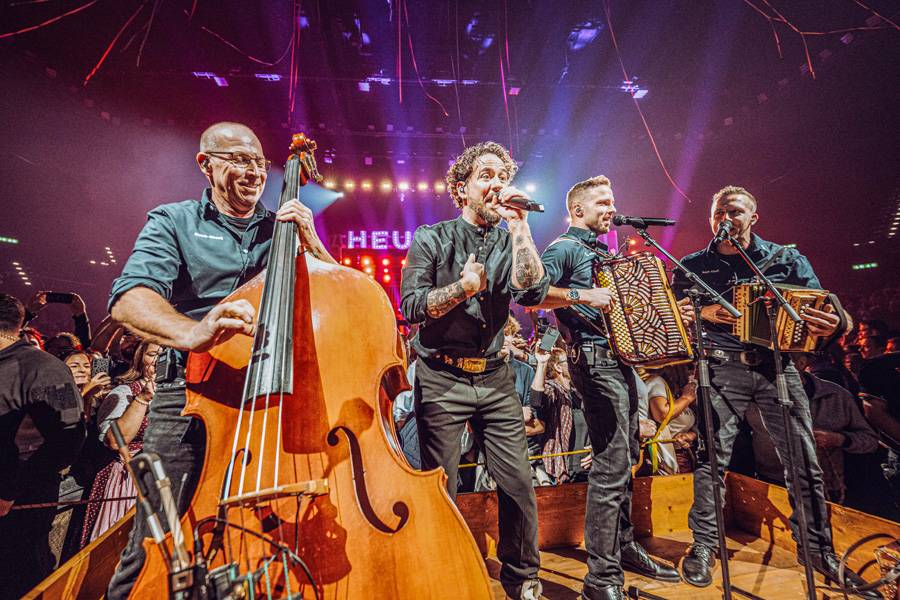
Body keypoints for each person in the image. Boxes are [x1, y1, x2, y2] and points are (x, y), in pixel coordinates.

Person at [105, 122, 335, 599]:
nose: (252, 171)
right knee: (158, 533)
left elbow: (342, 297)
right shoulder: (174, 220)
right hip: (190, 398)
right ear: (205, 164)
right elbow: (130, 300)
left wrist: (313, 245)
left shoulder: (284, 229)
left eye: (257, 161)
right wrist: (195, 332)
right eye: (237, 159)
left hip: (273, 396)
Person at [672, 185, 880, 597]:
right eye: (717, 213)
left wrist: (834, 323)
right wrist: (699, 311)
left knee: (803, 462)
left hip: (778, 368)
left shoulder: (784, 259)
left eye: (733, 212)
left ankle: (817, 550)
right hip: (722, 368)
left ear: (753, 218)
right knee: (711, 461)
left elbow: (827, 308)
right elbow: (672, 311)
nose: (724, 220)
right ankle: (704, 547)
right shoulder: (694, 265)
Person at [516, 175, 683, 599]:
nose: (611, 209)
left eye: (613, 201)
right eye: (603, 203)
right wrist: (581, 296)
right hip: (593, 362)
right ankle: (602, 579)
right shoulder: (564, 248)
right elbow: (531, 295)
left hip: (621, 359)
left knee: (625, 457)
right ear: (577, 210)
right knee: (610, 467)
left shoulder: (603, 250)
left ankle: (624, 547)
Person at [400, 141, 547, 600]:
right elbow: (410, 307)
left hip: (496, 378)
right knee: (440, 485)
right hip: (442, 377)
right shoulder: (432, 237)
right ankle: (443, 573)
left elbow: (532, 290)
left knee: (518, 483)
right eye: (486, 175)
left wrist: (521, 226)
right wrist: (463, 288)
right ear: (461, 189)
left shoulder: (510, 238)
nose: (498, 183)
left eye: (503, 176)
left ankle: (522, 580)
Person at [0, 293, 86, 598]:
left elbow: (69, 437)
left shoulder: (44, 369)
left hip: (19, 503)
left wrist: (10, 491)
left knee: (18, 579)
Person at [746, 370, 878, 503]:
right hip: (772, 487)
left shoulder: (836, 395)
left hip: (827, 489)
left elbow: (870, 441)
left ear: (801, 362)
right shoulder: (748, 397)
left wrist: (838, 439)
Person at [81, 342, 160, 545]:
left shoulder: (182, 393)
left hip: (161, 478)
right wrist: (142, 398)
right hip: (126, 480)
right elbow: (115, 440)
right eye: (153, 354)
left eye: (165, 354)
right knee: (117, 546)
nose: (159, 359)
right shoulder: (124, 392)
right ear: (140, 359)